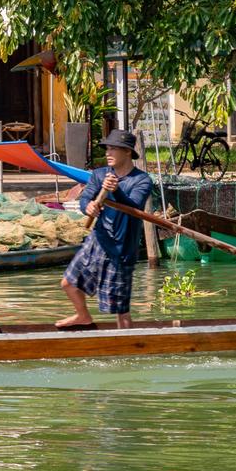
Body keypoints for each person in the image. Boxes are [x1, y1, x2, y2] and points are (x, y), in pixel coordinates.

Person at [58, 127, 155, 330]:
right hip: (98, 241)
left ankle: (128, 348)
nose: (108, 154)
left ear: (127, 152)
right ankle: (83, 316)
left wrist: (116, 191)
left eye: (113, 149)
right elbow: (86, 197)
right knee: (68, 283)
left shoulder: (142, 180)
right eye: (107, 149)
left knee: (121, 310)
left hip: (121, 250)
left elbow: (134, 207)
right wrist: (89, 207)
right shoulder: (99, 174)